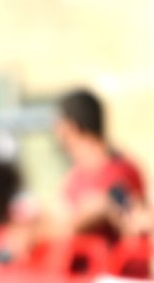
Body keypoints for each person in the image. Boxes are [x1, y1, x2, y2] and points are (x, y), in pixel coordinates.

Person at [54, 87, 148, 242]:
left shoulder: (118, 171)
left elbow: (132, 219)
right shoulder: (78, 173)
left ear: (71, 126)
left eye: (58, 123)